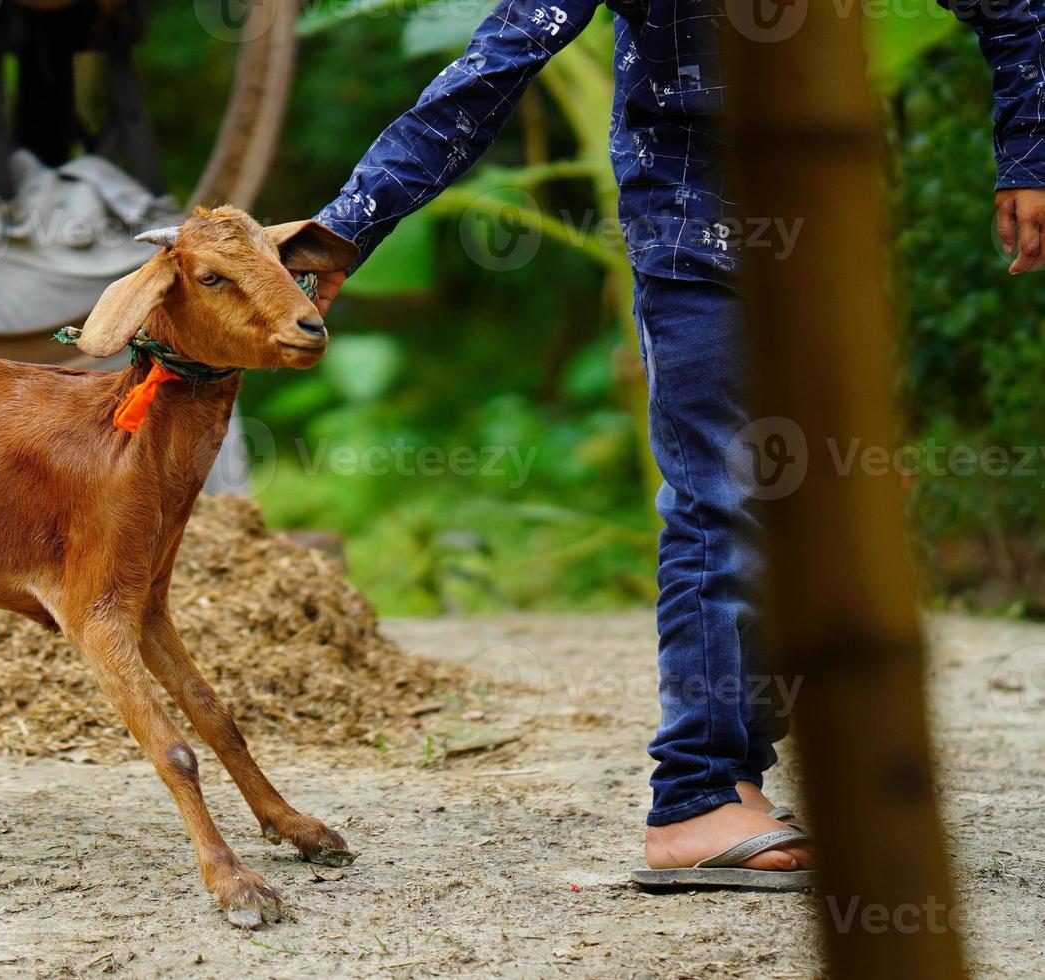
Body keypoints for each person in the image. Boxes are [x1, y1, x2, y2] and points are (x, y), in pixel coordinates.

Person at [308, 0, 1045, 885]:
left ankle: (735, 779)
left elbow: (1014, 9)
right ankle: (694, 796)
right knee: (722, 494)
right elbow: (500, 60)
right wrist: (351, 222)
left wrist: (1029, 154)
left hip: (834, 222)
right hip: (693, 227)